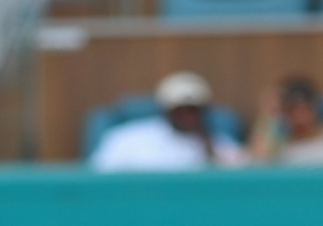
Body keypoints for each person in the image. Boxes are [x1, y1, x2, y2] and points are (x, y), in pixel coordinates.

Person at [90, 72, 246, 173]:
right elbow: (98, 176)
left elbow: (245, 171)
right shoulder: (125, 139)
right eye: (179, 111)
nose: (187, 117)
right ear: (165, 110)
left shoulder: (219, 144)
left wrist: (211, 155)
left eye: (193, 110)